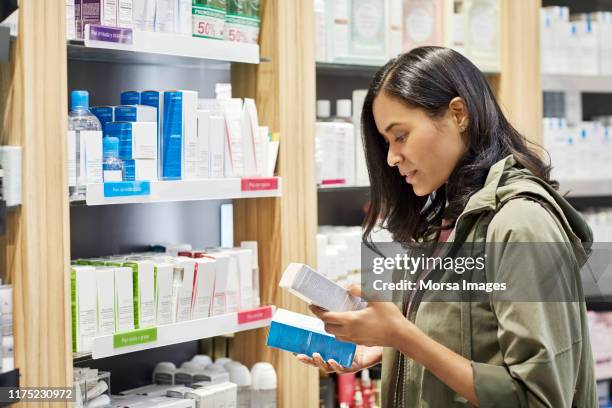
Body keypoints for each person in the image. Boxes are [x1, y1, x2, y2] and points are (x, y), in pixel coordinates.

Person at [297, 47, 597, 407]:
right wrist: (386, 345)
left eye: (401, 136)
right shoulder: (444, 222)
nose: (392, 158)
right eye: (386, 143)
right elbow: (471, 340)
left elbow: (537, 398)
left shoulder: (520, 223)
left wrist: (405, 337)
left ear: (458, 114)